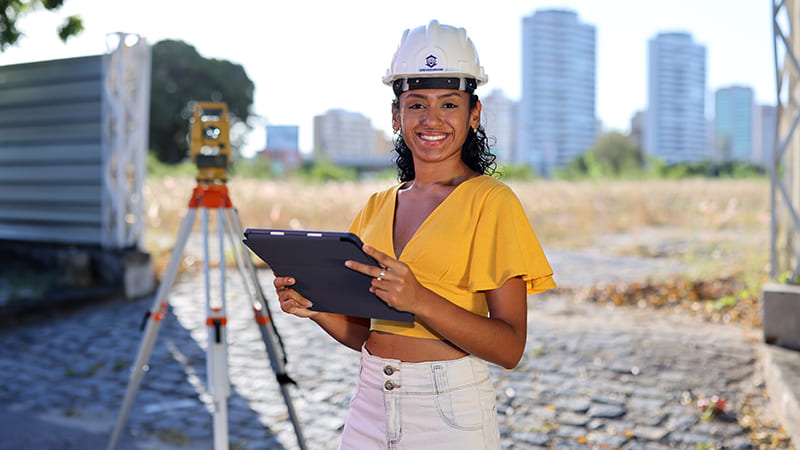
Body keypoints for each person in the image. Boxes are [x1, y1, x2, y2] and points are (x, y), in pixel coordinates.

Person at [274, 19, 555, 449]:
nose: (432, 119)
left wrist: (419, 298)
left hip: (449, 412)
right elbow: (368, 334)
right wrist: (315, 309)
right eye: (417, 104)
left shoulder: (492, 202)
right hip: (368, 403)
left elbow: (510, 347)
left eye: (449, 104)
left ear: (474, 114)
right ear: (396, 115)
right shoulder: (376, 206)